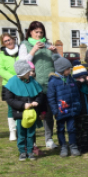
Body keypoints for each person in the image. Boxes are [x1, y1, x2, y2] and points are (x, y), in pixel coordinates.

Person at [19, 21, 59, 149]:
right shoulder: (25, 45)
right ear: (30, 32)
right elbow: (22, 64)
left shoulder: (47, 44)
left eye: (41, 32)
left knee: (48, 114)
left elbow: (57, 62)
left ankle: (49, 139)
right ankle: (32, 141)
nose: (39, 34)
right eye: (36, 32)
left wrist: (55, 52)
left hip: (49, 84)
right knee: (33, 113)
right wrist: (34, 49)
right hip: (33, 85)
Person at [4, 60, 44, 161]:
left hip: (32, 114)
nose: (30, 73)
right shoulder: (12, 82)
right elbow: (10, 99)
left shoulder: (32, 80)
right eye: (28, 72)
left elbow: (40, 94)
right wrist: (22, 105)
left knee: (31, 133)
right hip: (20, 114)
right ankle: (22, 151)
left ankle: (30, 151)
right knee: (21, 134)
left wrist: (37, 102)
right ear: (22, 73)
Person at [47, 55, 81, 157]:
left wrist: (77, 105)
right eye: (68, 69)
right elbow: (51, 98)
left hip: (71, 110)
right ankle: (63, 146)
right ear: (62, 69)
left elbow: (76, 94)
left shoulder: (71, 79)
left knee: (71, 129)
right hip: (60, 111)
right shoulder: (53, 81)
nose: (70, 70)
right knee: (60, 129)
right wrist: (55, 111)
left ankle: (73, 146)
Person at [72, 64, 88, 154]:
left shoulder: (87, 85)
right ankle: (79, 145)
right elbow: (74, 91)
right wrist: (79, 82)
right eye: (81, 76)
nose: (83, 78)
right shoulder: (74, 84)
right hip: (79, 111)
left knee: (86, 129)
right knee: (78, 129)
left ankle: (86, 144)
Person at [0, 33, 18, 141]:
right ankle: (12, 131)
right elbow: (1, 69)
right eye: (6, 41)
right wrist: (13, 78)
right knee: (11, 108)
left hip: (22, 83)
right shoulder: (1, 54)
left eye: (10, 39)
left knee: (22, 106)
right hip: (8, 85)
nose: (9, 42)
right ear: (3, 43)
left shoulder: (21, 50)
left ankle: (21, 129)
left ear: (13, 39)